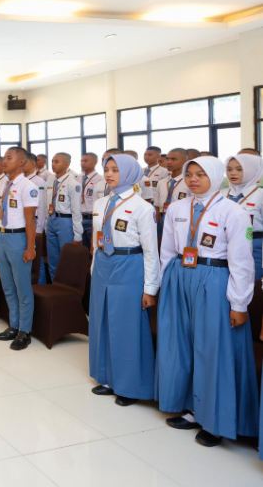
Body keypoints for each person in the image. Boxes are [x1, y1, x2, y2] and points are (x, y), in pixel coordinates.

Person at [157, 156, 259, 448]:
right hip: (180, 276)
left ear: (214, 176)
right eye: (189, 174)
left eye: (200, 174)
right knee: (184, 344)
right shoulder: (177, 208)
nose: (193, 179)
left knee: (211, 349)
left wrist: (239, 303)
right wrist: (166, 284)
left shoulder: (233, 212)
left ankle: (214, 419)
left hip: (214, 279)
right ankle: (191, 407)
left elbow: (242, 262)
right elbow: (166, 250)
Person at [88, 155, 158, 407]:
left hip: (129, 265)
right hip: (103, 265)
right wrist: (94, 267)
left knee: (126, 326)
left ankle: (129, 386)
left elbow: (151, 251)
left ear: (129, 173)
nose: (109, 174)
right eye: (106, 169)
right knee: (102, 321)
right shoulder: (100, 203)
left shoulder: (142, 207)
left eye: (115, 170)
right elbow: (96, 239)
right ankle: (106, 376)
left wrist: (150, 288)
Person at [0, 147, 39, 351]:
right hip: (3, 236)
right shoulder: (5, 184)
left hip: (18, 238)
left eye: (9, 158)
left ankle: (25, 331)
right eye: (4, 157)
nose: (4, 161)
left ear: (21, 162)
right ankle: (13, 325)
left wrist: (31, 247)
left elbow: (30, 221)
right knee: (8, 286)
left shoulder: (27, 186)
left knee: (22, 288)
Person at [45, 152, 83, 281]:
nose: (53, 164)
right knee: (52, 257)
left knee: (66, 257)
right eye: (53, 161)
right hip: (51, 219)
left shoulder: (73, 183)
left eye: (57, 162)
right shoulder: (51, 181)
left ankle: (67, 286)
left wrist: (78, 234)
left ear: (67, 164)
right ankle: (55, 285)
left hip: (65, 221)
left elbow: (76, 211)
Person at [225, 154, 263, 279]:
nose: (233, 173)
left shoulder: (260, 194)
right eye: (229, 169)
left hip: (254, 248)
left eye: (239, 169)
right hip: (224, 247)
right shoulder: (221, 194)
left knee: (252, 287)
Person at [24, 152, 49, 283]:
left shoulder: (39, 182)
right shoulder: (21, 181)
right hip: (23, 225)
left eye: (25, 162)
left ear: (33, 164)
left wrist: (39, 230)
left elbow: (42, 208)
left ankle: (41, 285)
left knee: (37, 260)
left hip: (35, 226)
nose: (21, 165)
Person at [155, 148, 190, 235]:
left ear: (185, 161)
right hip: (163, 218)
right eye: (167, 159)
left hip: (182, 220)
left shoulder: (189, 183)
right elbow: (157, 205)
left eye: (173, 159)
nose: (169, 162)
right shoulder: (162, 182)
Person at [80, 153, 104, 248]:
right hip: (80, 218)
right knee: (81, 249)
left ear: (95, 162)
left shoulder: (100, 180)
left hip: (93, 219)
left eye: (86, 161)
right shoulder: (78, 178)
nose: (83, 163)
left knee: (95, 248)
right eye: (81, 161)